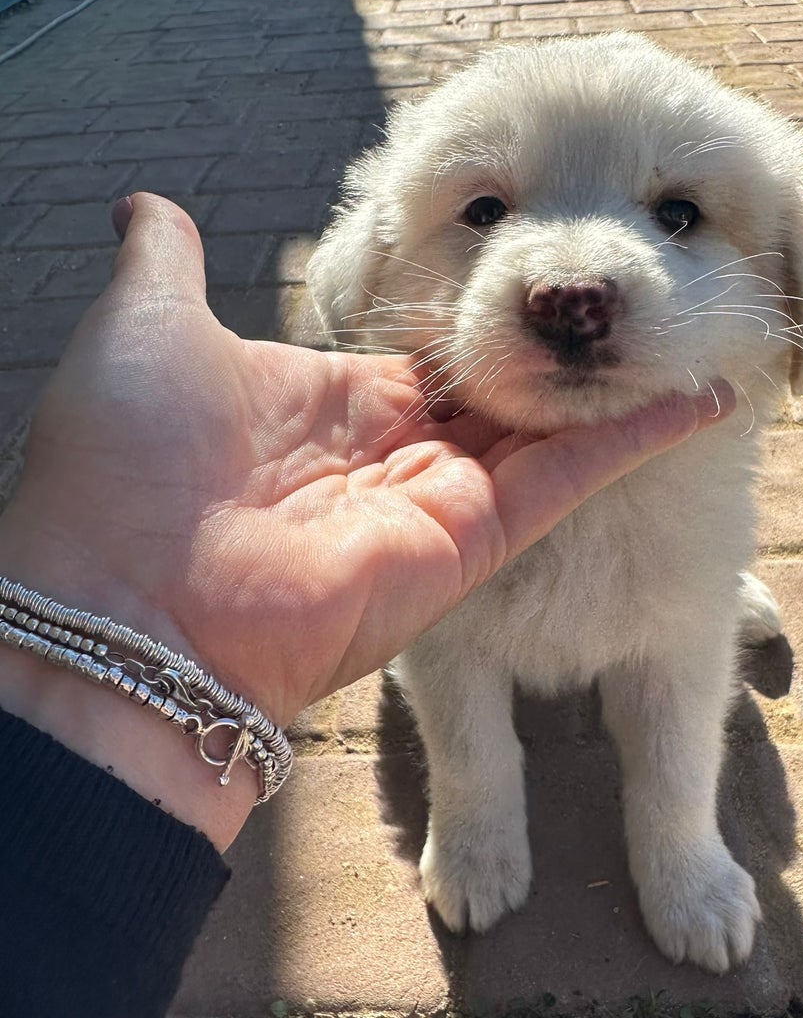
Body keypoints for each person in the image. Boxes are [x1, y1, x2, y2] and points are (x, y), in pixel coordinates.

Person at [0, 193, 735, 1015]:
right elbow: (445, 649)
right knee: (451, 634)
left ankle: (682, 839)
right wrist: (474, 813)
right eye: (485, 210)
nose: (575, 286)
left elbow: (683, 656)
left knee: (687, 635)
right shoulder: (414, 500)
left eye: (677, 212)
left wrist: (682, 846)